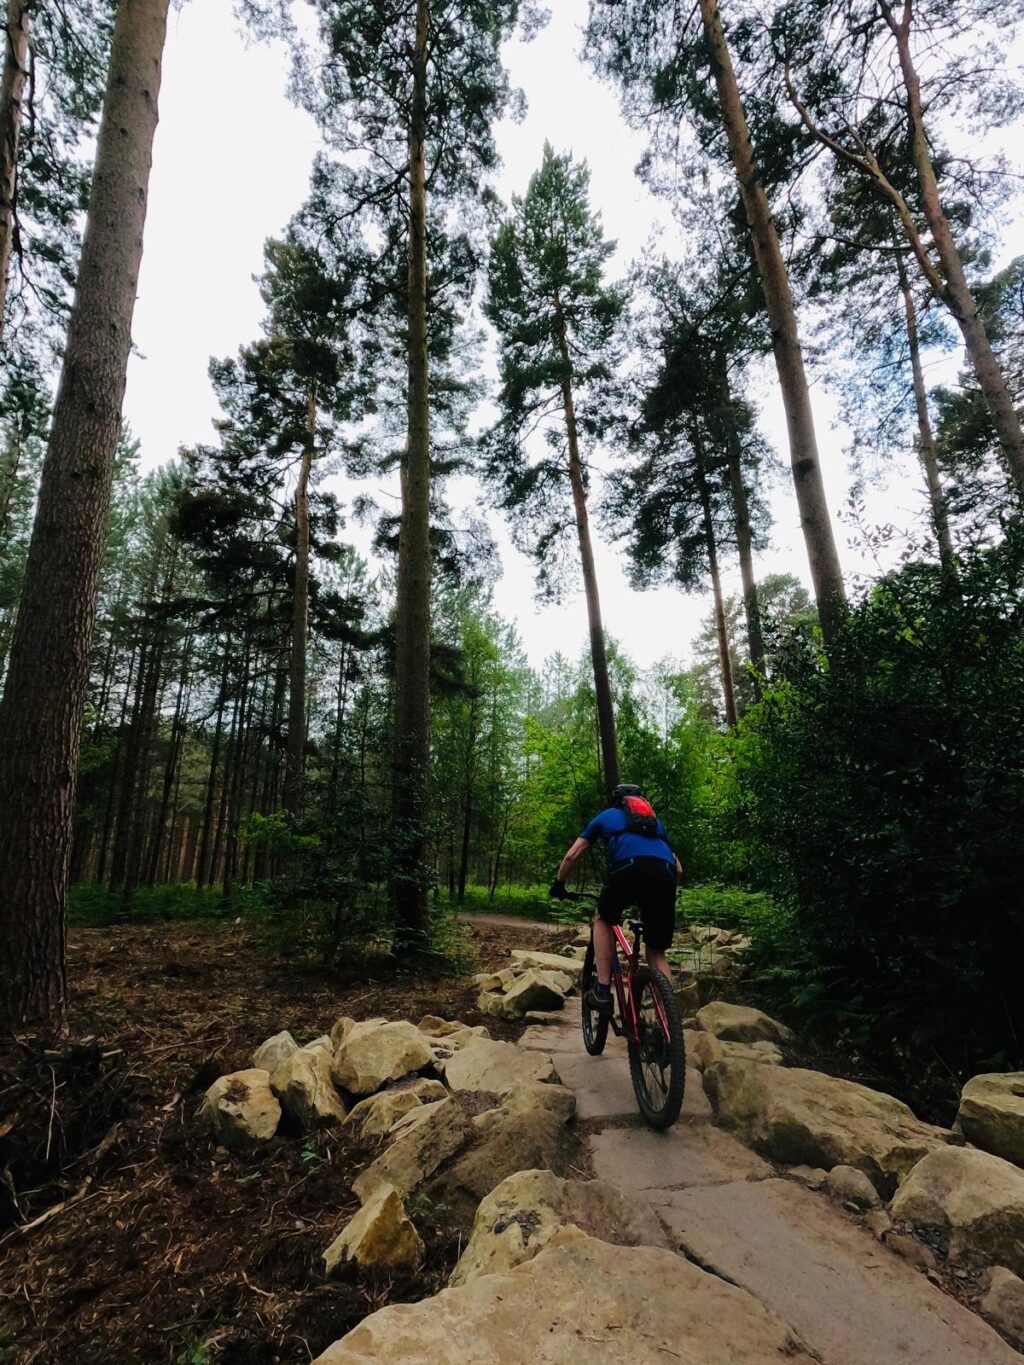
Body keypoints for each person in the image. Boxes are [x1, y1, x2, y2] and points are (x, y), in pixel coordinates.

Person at [550, 784, 683, 1016]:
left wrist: (559, 883)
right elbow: (679, 869)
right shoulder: (656, 824)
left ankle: (602, 990)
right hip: (665, 874)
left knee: (603, 918)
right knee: (656, 952)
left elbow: (572, 854)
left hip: (626, 869)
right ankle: (669, 1021)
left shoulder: (608, 816)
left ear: (617, 802)